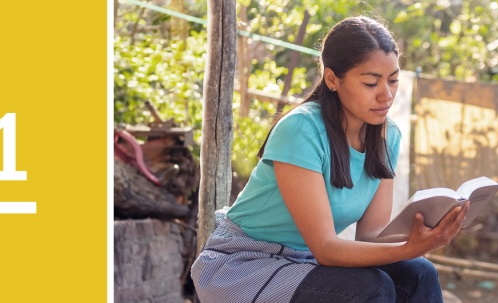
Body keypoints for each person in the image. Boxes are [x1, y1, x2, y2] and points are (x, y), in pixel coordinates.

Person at [191, 16, 469, 303]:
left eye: (393, 80)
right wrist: (407, 248)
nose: (386, 95)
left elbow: (371, 235)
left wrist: (423, 235)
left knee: (419, 273)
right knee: (371, 287)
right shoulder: (301, 129)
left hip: (307, 261)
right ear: (332, 79)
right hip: (246, 264)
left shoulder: (387, 137)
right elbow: (325, 247)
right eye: (371, 82)